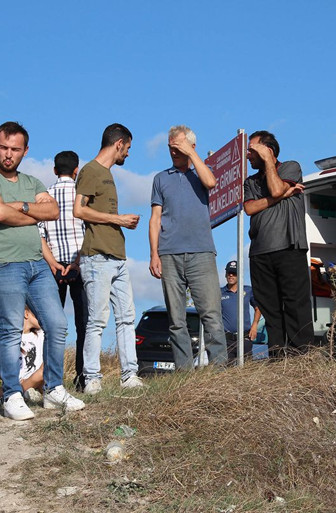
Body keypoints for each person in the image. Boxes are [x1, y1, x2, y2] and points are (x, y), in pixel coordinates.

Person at [0, 121, 84, 421]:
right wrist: (29, 212)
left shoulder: (33, 182)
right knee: (10, 329)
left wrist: (16, 208)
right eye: (3, 147)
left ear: (25, 151)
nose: (8, 154)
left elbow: (51, 212)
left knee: (57, 325)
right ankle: (11, 395)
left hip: (37, 264)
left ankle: (53, 389)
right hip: (3, 265)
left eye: (15, 149)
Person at [73, 123, 144, 392]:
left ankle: (130, 376)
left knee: (127, 317)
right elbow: (78, 210)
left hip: (118, 256)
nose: (128, 154)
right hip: (97, 257)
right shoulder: (91, 170)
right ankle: (92, 379)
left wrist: (119, 222)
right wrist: (118, 219)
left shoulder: (108, 174)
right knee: (97, 320)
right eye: (128, 148)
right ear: (119, 144)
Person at [149, 125, 227, 369]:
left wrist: (192, 155)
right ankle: (184, 373)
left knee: (211, 315)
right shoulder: (160, 178)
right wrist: (154, 254)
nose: (173, 151)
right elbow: (155, 218)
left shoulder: (203, 171)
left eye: (178, 146)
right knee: (176, 320)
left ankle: (219, 373)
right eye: (170, 147)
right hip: (169, 254)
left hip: (201, 253)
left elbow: (211, 183)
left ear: (192, 146)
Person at [243, 130, 313, 357]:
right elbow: (249, 208)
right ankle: (278, 360)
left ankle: (300, 359)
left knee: (294, 305)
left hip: (289, 246)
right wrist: (282, 196)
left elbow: (274, 187)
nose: (247, 155)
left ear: (268, 150)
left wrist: (269, 165)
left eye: (252, 150)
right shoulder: (250, 181)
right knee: (271, 310)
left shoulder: (290, 167)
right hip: (260, 252)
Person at [39, 150, 88, 391]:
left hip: (53, 268)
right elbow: (89, 231)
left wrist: (52, 264)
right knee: (84, 325)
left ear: (55, 170)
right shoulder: (82, 195)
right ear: (76, 169)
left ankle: (51, 379)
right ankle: (82, 378)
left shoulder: (44, 196)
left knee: (52, 326)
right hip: (79, 266)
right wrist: (76, 262)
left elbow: (39, 234)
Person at [220, 260, 262, 362]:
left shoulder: (248, 290)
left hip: (245, 339)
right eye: (228, 273)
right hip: (226, 340)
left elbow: (258, 308)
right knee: (227, 372)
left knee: (246, 371)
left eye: (234, 273)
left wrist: (255, 325)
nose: (231, 275)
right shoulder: (220, 292)